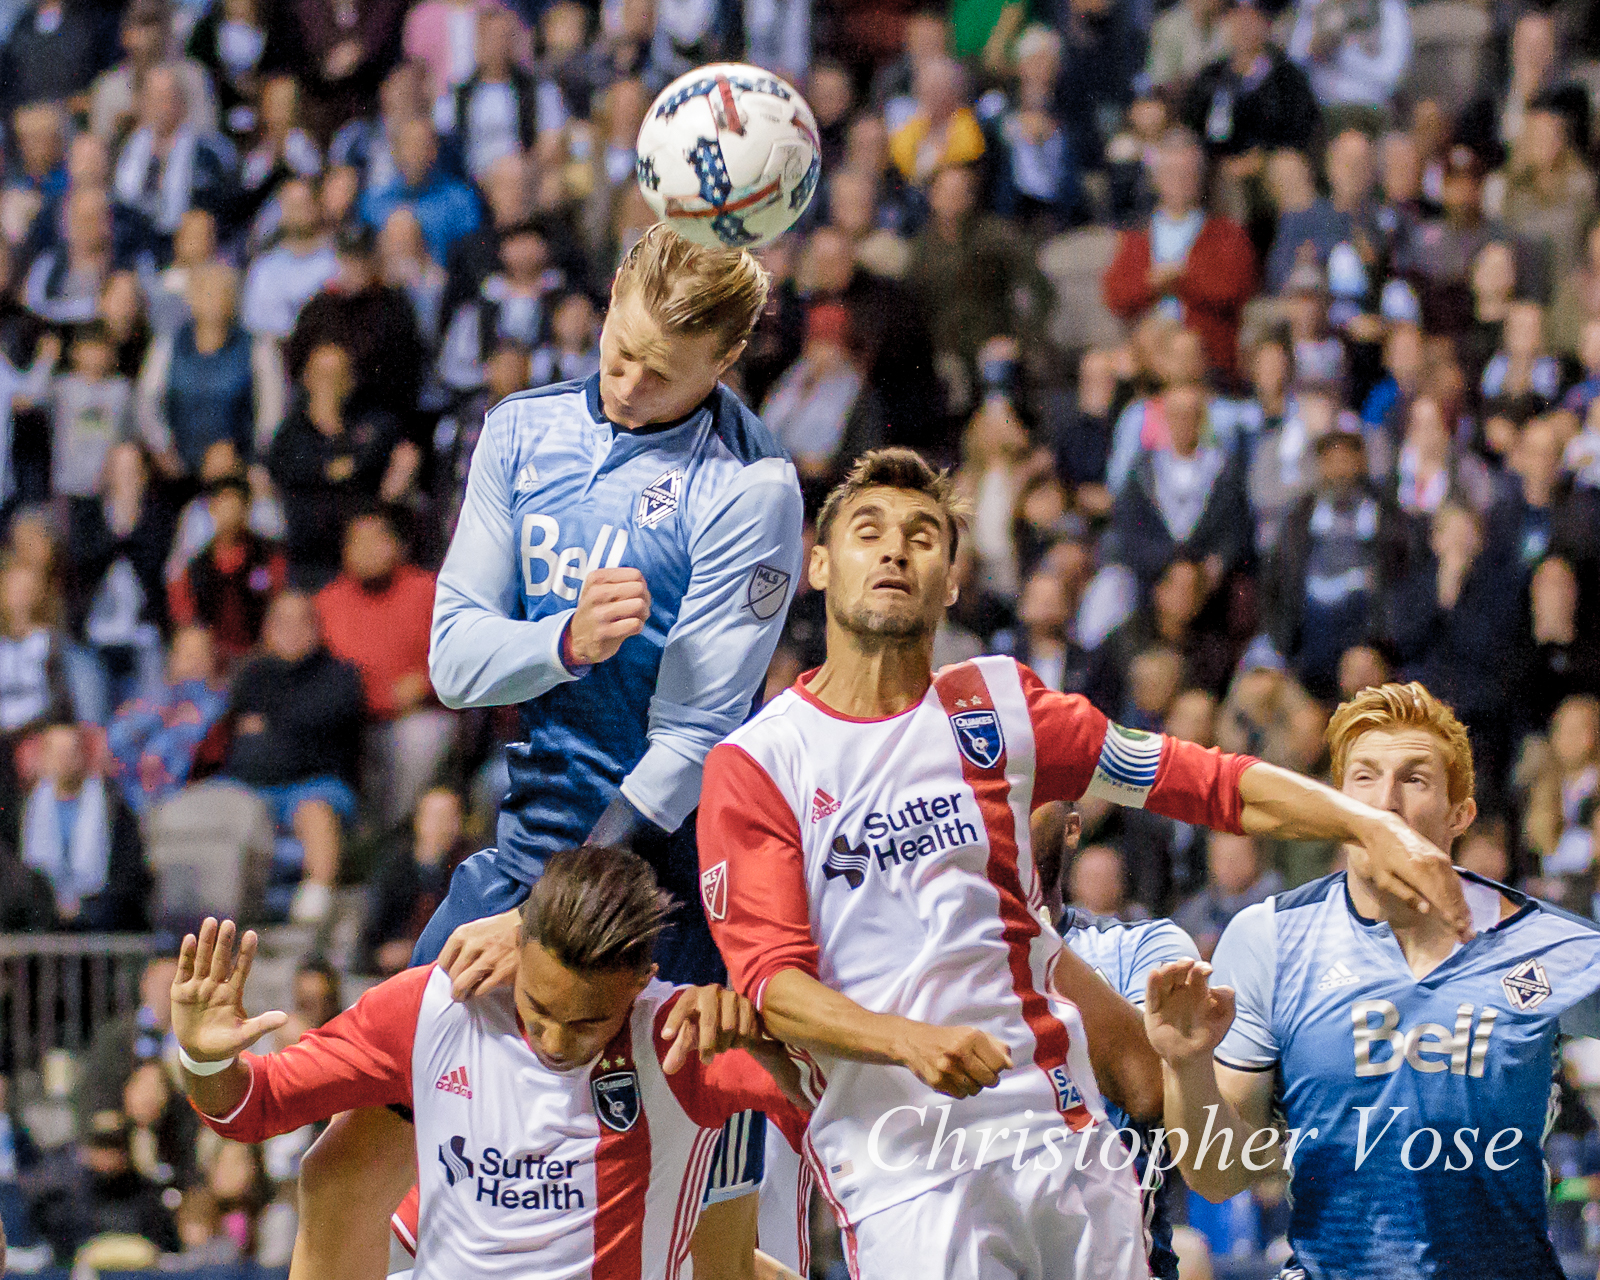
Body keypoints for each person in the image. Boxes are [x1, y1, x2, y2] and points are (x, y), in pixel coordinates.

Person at [697, 447, 1470, 1280]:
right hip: (905, 1171)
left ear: (951, 580)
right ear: (819, 563)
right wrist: (908, 1042)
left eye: (924, 536)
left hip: (1064, 1142)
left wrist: (1364, 822)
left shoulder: (997, 706)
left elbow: (1199, 778)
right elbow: (773, 986)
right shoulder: (759, 764)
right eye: (869, 532)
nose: (895, 551)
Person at [288, 223, 805, 1280]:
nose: (626, 383)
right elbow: (454, 661)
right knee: (340, 1172)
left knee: (710, 1253)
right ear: (612, 293)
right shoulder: (520, 432)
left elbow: (693, 742)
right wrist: (561, 639)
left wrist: (546, 917)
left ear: (723, 363)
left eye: (661, 376)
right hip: (527, 854)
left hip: (669, 889)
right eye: (618, 350)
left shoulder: (750, 488)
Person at [172, 848, 806, 1278]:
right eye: (539, 1009)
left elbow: (834, 1096)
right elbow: (252, 1106)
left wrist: (764, 1033)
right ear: (515, 942)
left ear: (642, 980)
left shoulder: (679, 1040)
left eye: (587, 1022)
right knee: (331, 1178)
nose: (556, 1041)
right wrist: (204, 1059)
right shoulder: (432, 1008)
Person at [1145, 681, 1600, 1280]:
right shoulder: (1271, 939)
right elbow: (1219, 1172)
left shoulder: (1559, 948)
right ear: (1336, 806)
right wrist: (1186, 1066)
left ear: (1461, 814)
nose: (1384, 801)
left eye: (1415, 779)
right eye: (1362, 778)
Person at [221, 591, 365, 923]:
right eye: (282, 622)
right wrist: (292, 729)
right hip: (254, 787)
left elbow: (319, 727)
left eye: (301, 621)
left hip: (318, 785)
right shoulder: (250, 676)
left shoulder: (341, 676)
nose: (292, 630)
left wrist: (270, 728)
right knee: (217, 805)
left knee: (313, 810)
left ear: (316, 628)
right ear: (267, 629)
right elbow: (238, 740)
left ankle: (316, 895)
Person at [315, 506, 450, 826]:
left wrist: (427, 683)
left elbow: (459, 653)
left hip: (411, 715)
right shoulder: (327, 601)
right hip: (348, 719)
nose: (367, 550)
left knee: (423, 736)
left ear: (397, 545)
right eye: (357, 542)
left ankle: (395, 832)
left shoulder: (427, 590)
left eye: (377, 540)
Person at [1103, 128, 1257, 378]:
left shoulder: (1225, 233)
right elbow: (1116, 295)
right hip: (1147, 339)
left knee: (1178, 347)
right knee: (1097, 366)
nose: (1180, 181)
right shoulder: (1139, 236)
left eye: (1188, 173)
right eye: (1172, 173)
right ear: (1156, 178)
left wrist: (1181, 281)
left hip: (1202, 346)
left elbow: (1233, 289)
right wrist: (1152, 284)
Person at [21, 720, 149, 931]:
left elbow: (129, 873)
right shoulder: (25, 808)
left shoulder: (113, 807)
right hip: (44, 924)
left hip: (103, 923)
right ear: (44, 758)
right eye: (57, 753)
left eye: (71, 752)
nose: (64, 761)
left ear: (83, 755)